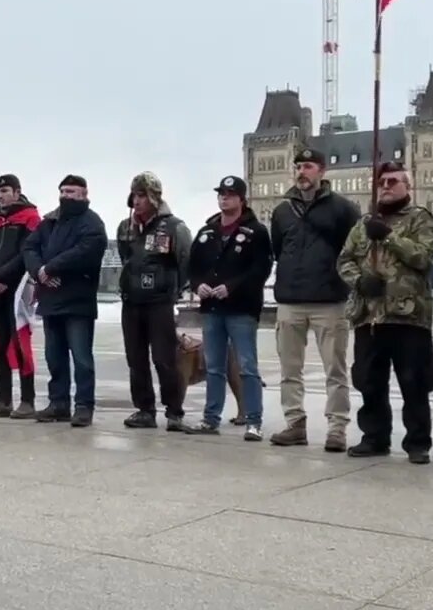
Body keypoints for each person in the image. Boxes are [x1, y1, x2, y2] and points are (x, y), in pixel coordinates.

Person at [337, 162, 433, 464]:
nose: (385, 186)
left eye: (393, 181)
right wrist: (358, 280)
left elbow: (423, 257)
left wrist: (389, 237)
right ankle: (375, 437)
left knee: (414, 381)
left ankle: (418, 442)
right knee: (369, 380)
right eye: (381, 182)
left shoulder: (420, 218)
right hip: (370, 316)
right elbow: (344, 259)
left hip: (409, 316)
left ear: (407, 186)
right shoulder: (363, 223)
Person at [269, 148, 361, 451]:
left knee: (335, 370)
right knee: (289, 370)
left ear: (321, 171)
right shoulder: (282, 211)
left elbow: (354, 249)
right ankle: (295, 423)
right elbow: (278, 248)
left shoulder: (343, 209)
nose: (301, 172)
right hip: (290, 301)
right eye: (297, 166)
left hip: (329, 300)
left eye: (307, 166)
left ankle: (337, 427)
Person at [185, 176, 273, 439]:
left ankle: (253, 420)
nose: (224, 198)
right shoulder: (206, 232)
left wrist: (232, 287)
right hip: (212, 309)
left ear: (242, 199)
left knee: (247, 365)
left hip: (241, 309)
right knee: (213, 365)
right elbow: (193, 267)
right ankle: (211, 418)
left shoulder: (255, 232)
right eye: (221, 194)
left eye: (230, 194)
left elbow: (261, 268)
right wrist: (197, 285)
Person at [22, 174, 109, 427]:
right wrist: (40, 272)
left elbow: (87, 251)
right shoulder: (49, 221)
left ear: (84, 194)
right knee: (54, 356)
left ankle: (84, 406)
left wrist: (52, 268)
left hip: (78, 301)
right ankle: (58, 403)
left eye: (71, 192)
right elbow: (30, 247)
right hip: (51, 300)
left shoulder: (92, 223)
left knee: (81, 357)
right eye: (62, 191)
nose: (65, 196)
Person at [116, 173, 193, 431]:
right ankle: (145, 409)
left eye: (141, 195)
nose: (136, 201)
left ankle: (174, 412)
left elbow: (186, 263)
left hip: (160, 302)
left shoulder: (175, 227)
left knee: (164, 358)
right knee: (135, 359)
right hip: (132, 303)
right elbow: (126, 259)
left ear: (153, 197)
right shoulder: (125, 228)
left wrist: (173, 290)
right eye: (134, 196)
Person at [0, 174, 42, 418]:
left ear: (17, 192)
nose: (1, 196)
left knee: (20, 344)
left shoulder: (30, 218)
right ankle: (3, 399)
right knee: (2, 343)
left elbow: (27, 253)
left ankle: (27, 400)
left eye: (5, 191)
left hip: (17, 289)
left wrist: (2, 277)